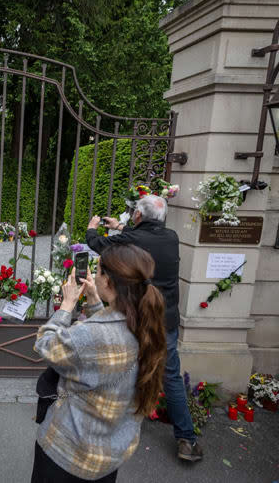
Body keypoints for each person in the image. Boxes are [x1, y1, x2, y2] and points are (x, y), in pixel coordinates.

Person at [31, 244, 167, 482]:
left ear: (108, 281)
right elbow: (107, 341)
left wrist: (66, 305)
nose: (95, 275)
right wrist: (95, 301)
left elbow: (46, 344)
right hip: (110, 454)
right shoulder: (145, 323)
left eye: (99, 271)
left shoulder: (91, 336)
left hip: (68, 454)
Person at [86, 194, 202, 462]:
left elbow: (98, 245)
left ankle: (108, 425)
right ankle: (187, 439)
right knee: (171, 376)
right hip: (166, 320)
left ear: (138, 215)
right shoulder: (171, 237)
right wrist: (120, 226)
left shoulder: (132, 240)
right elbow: (146, 236)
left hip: (137, 318)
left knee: (120, 366)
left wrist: (93, 227)